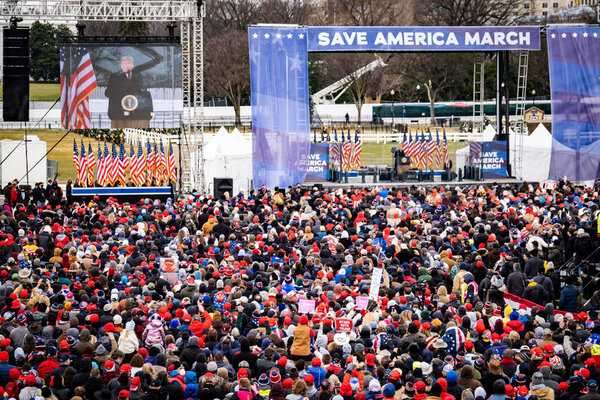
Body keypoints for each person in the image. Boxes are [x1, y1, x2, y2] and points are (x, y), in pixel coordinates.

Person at [105, 54, 160, 128]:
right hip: (119, 115)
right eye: (124, 63)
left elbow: (142, 91)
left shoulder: (139, 75)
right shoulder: (114, 76)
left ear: (132, 65)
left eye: (129, 63)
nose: (127, 65)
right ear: (121, 65)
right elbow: (108, 93)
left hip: (138, 116)